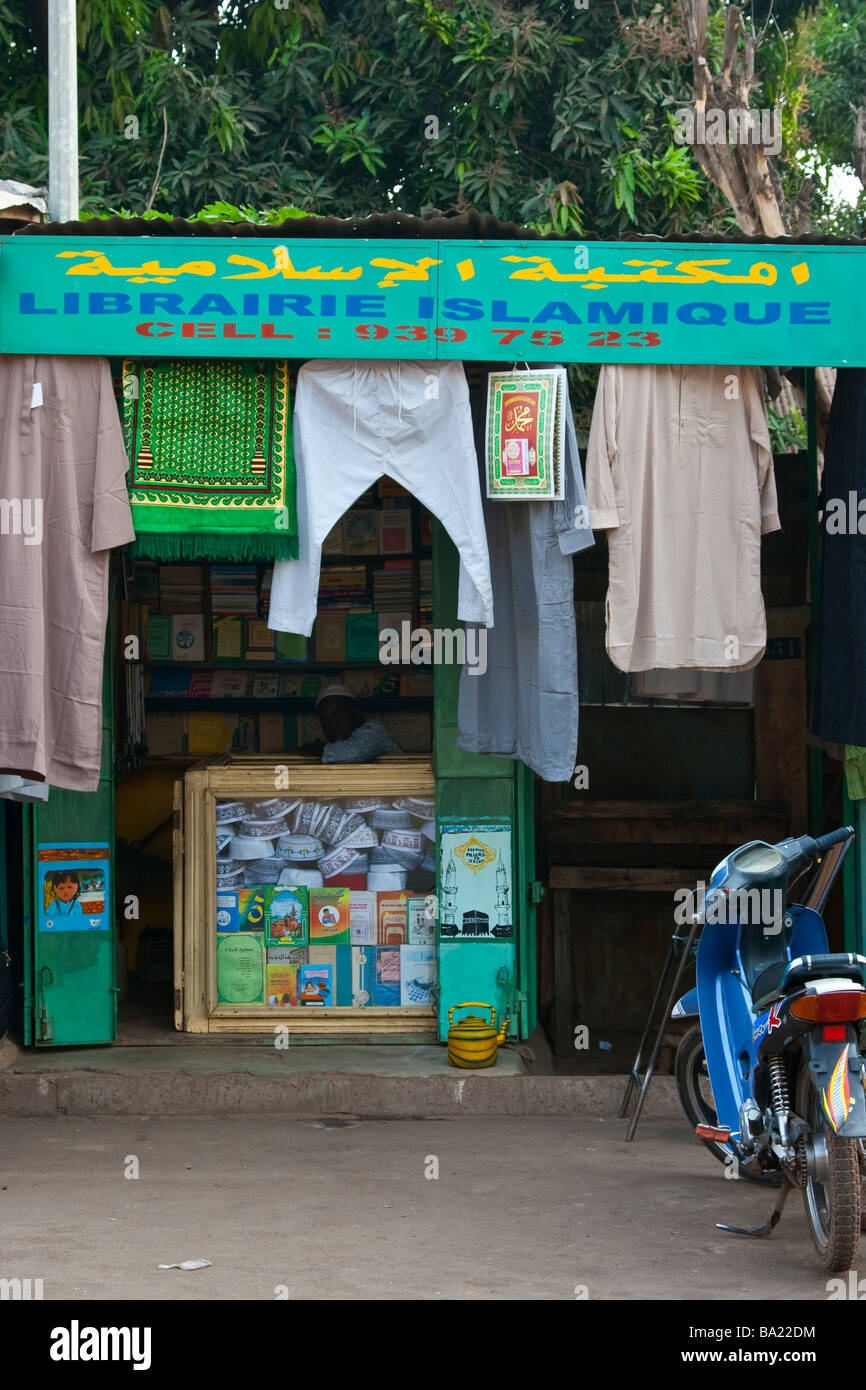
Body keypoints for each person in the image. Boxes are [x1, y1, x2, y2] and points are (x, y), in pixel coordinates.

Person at [299, 682, 402, 762]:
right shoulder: (339, 744)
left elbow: (356, 750)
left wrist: (315, 749)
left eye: (339, 717)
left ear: (357, 714)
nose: (333, 725)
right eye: (325, 720)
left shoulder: (374, 732)